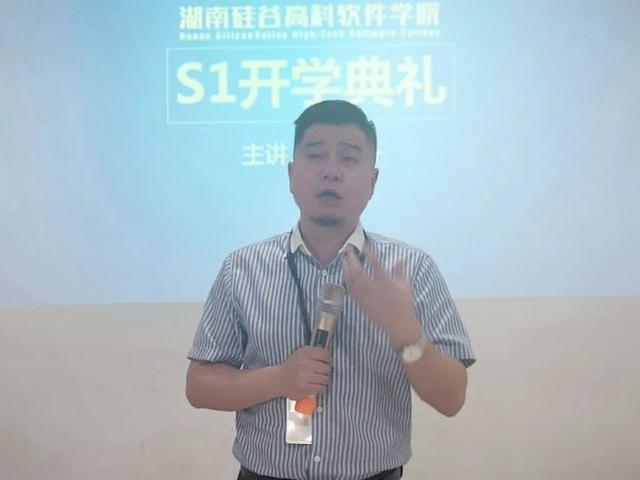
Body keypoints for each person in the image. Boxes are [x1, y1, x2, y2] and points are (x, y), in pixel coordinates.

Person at [186, 100, 476, 480]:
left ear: (372, 182)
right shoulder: (242, 268)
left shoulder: (411, 270)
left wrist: (404, 331)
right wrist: (279, 379)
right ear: (292, 174)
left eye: (349, 158)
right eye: (316, 155)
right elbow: (199, 387)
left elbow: (451, 399)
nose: (331, 171)